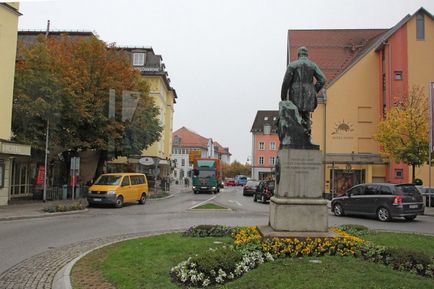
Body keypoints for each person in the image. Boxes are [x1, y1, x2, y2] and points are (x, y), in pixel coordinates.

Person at [280, 46, 326, 147]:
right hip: (309, 95)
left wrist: (283, 96)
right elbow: (322, 79)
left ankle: (296, 139)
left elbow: (286, 82)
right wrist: (314, 90)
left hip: (295, 94)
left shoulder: (293, 65)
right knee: (306, 116)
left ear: (298, 55)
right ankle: (307, 139)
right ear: (307, 55)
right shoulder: (312, 65)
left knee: (295, 117)